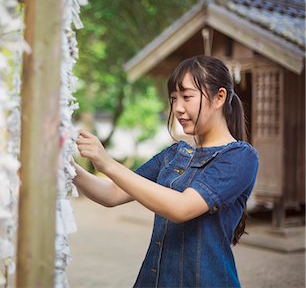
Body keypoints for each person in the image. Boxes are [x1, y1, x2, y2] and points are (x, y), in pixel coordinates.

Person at [73, 55, 259, 288]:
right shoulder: (174, 154)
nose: (177, 108)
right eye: (173, 99)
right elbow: (111, 194)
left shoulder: (241, 157)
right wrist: (67, 168)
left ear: (219, 97)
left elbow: (181, 208)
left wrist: (108, 164)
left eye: (187, 97)